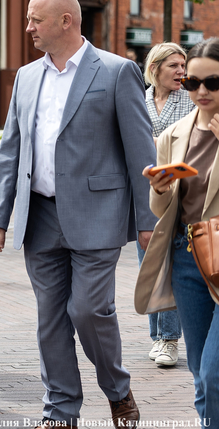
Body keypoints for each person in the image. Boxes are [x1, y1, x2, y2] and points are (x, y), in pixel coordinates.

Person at [0, 0, 155, 428]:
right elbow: (11, 150)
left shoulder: (117, 71)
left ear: (66, 21)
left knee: (88, 310)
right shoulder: (26, 77)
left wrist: (148, 219)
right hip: (39, 216)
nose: (28, 28)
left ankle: (117, 389)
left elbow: (141, 151)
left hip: (98, 213)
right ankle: (60, 411)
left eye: (35, 20)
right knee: (51, 318)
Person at [137, 37, 219, 427]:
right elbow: (163, 210)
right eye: (192, 82)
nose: (201, 91)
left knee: (214, 374)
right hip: (187, 258)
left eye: (212, 82)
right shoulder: (174, 134)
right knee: (201, 372)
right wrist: (159, 189)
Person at [138, 42, 191, 367]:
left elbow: (191, 142)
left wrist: (155, 145)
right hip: (144, 193)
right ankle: (156, 336)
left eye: (183, 66)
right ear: (155, 68)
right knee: (149, 266)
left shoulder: (189, 100)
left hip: (178, 195)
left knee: (170, 266)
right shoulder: (139, 99)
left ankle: (169, 340)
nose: (181, 72)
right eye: (174, 65)